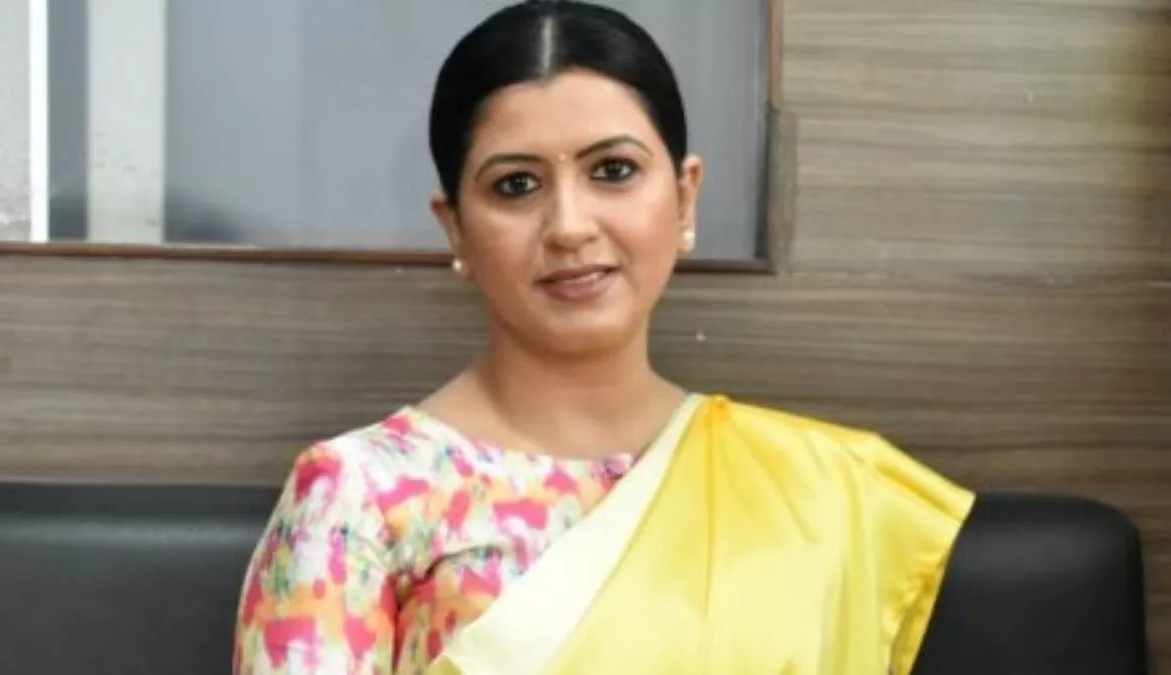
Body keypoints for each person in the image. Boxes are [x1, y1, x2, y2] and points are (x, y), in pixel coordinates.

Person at [233, 1, 974, 672]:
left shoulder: (818, 494)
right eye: (516, 185)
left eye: (613, 170)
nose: (569, 226)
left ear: (684, 197)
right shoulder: (361, 500)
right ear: (454, 225)